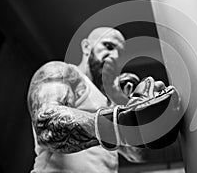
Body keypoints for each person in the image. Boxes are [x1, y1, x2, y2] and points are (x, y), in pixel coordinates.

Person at [27, 27, 180, 173]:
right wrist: (122, 120)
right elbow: (46, 126)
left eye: (120, 53)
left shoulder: (110, 102)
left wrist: (141, 121)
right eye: (108, 46)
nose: (114, 56)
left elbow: (138, 155)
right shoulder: (63, 72)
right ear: (87, 46)